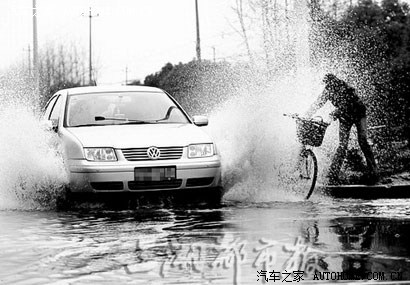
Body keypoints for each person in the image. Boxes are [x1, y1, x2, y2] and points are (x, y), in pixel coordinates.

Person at [305, 73, 379, 185]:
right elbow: (318, 103)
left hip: (359, 114)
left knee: (362, 141)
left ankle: (374, 171)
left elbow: (347, 105)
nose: (328, 88)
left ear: (335, 83)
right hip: (345, 118)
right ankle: (333, 175)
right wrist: (307, 114)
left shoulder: (346, 89)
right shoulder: (328, 91)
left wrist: (334, 114)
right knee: (342, 145)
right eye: (327, 85)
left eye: (329, 85)